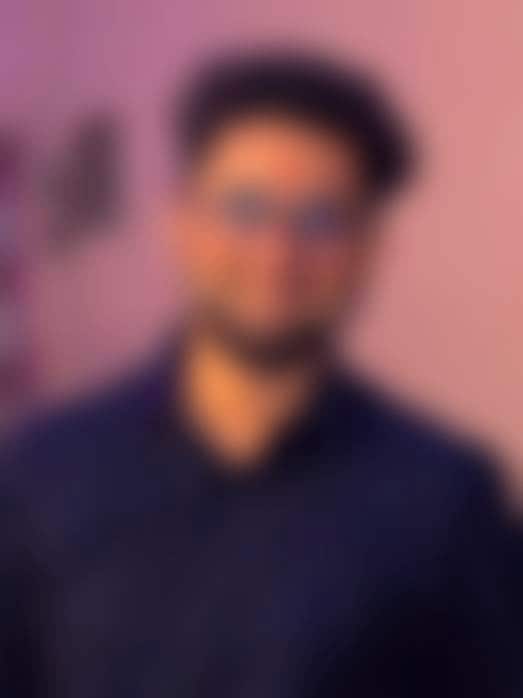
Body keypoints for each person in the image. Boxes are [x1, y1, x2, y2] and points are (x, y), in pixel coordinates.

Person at [0, 50, 520, 697]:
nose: (278, 252)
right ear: (182, 223)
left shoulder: (448, 500)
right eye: (245, 207)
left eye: (321, 218)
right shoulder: (41, 475)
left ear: (368, 250)